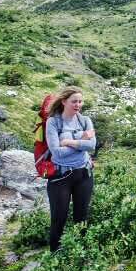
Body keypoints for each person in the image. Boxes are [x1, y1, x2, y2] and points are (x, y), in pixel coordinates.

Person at [45, 86, 96, 252]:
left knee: (81, 217)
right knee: (59, 218)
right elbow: (57, 153)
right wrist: (82, 140)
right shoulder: (53, 122)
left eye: (80, 101)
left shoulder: (85, 120)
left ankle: (79, 254)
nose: (78, 105)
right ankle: (55, 254)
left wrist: (70, 142)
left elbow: (92, 145)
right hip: (61, 176)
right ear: (64, 101)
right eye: (74, 101)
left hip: (84, 174)